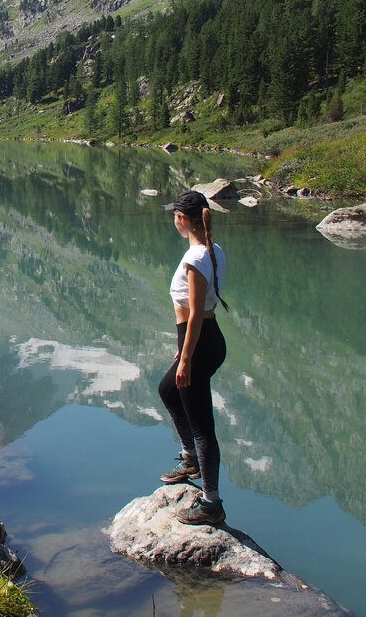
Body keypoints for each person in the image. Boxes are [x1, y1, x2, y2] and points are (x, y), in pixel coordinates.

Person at [157, 189, 229, 526]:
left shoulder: (195, 260)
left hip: (199, 343)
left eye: (175, 215)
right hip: (203, 341)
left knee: (202, 425)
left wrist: (186, 359)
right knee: (167, 389)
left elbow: (196, 312)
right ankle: (190, 459)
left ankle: (211, 503)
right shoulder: (210, 251)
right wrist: (183, 349)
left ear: (183, 220)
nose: (173, 219)